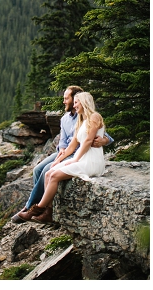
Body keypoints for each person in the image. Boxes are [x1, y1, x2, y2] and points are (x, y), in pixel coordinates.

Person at [11, 86, 111, 224]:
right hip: (65, 152)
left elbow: (100, 136)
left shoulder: (91, 117)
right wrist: (58, 159)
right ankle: (44, 206)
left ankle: (31, 208)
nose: (65, 102)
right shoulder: (67, 119)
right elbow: (65, 144)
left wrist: (104, 140)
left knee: (49, 171)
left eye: (67, 99)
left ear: (79, 100)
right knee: (39, 169)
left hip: (82, 154)